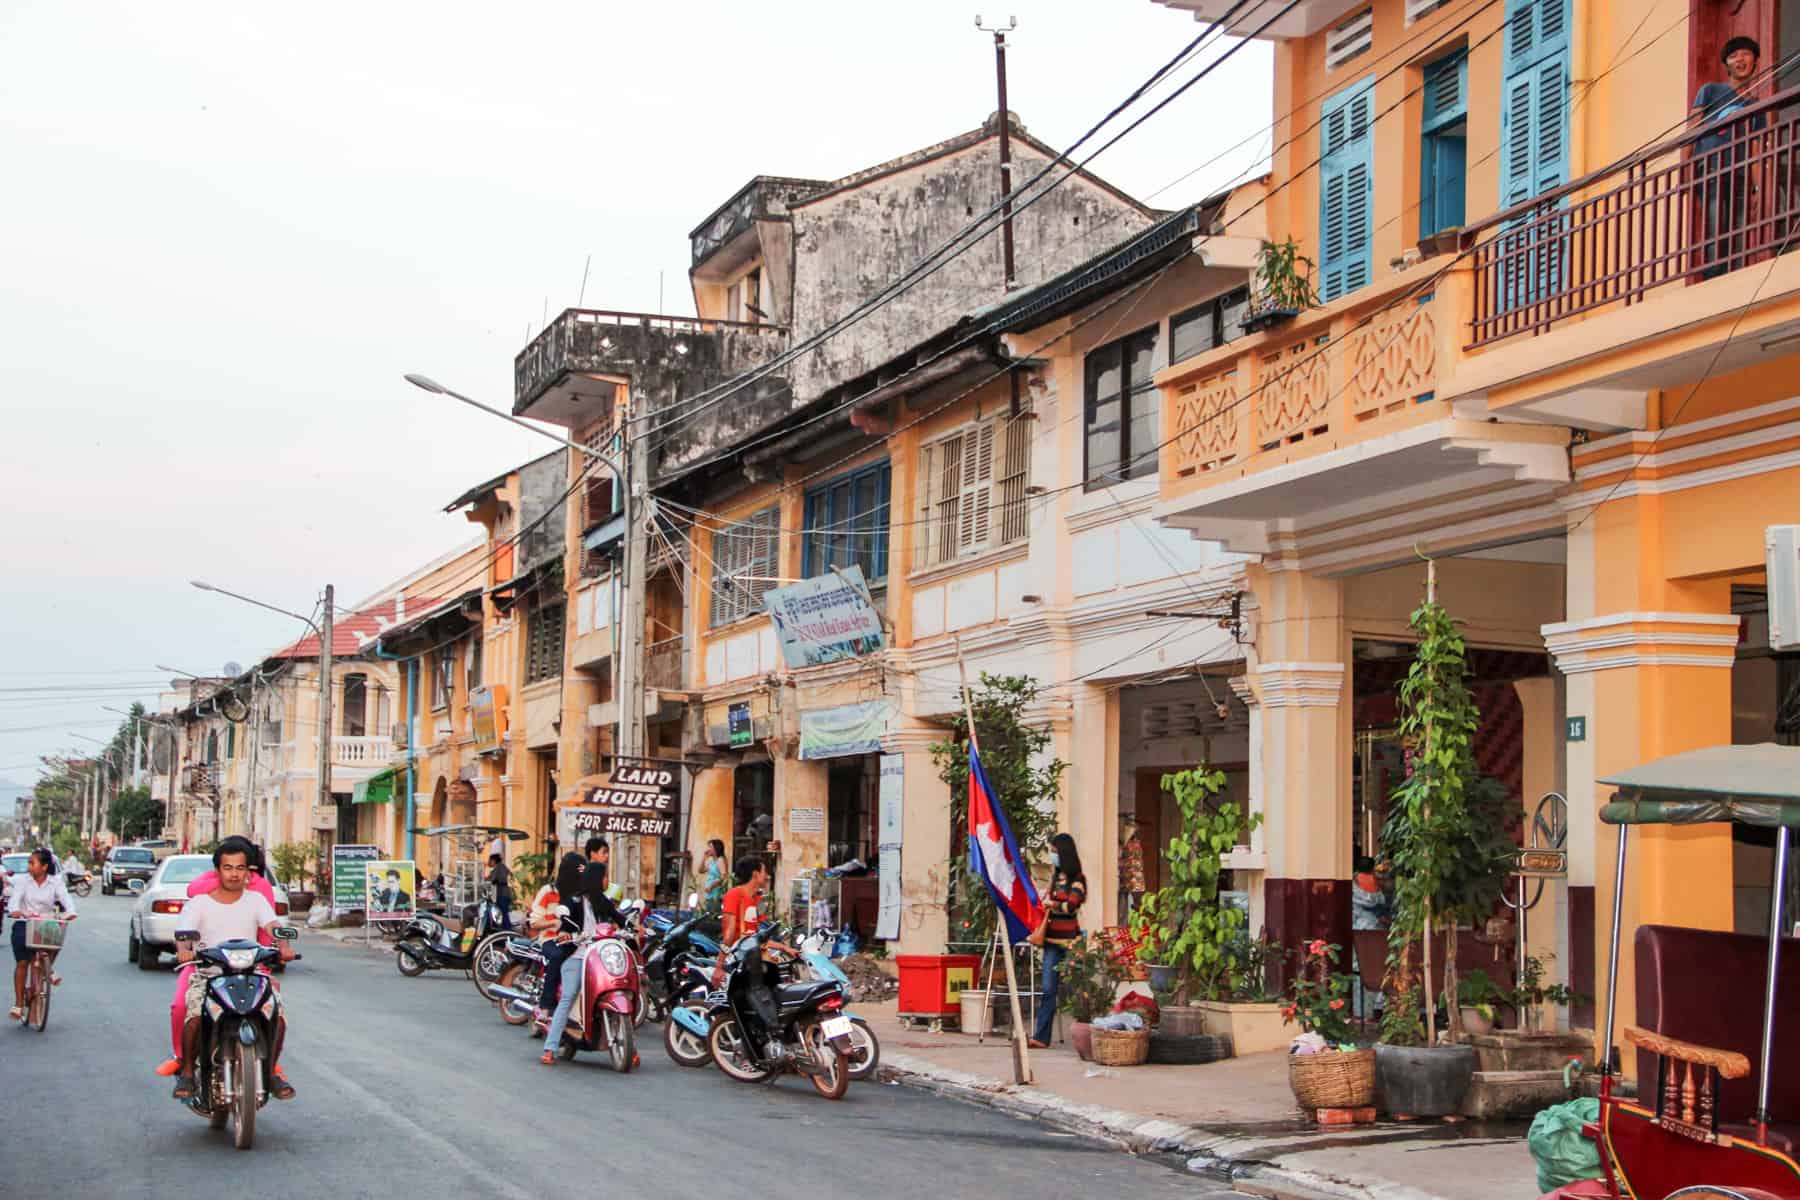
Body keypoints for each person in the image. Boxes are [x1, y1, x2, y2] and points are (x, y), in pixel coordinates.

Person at [170, 836, 294, 1101]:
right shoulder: (199, 904)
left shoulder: (256, 901)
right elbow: (185, 934)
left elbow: (274, 927)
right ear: (218, 871)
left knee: (278, 1016)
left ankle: (271, 1072)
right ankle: (188, 1072)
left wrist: (283, 946)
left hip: (251, 974)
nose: (234, 874)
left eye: (240, 868)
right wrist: (185, 949)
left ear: (248, 872)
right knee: (192, 1015)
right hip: (209, 975)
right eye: (228, 867)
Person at [1693, 35, 1767, 279]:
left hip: (1742, 172)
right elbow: (1693, 129)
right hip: (1712, 168)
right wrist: (1686, 169)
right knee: (1717, 223)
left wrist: (1758, 187)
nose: (1740, 59)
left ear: (1755, 61)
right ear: (1726, 64)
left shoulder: (1754, 104)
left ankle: (1734, 276)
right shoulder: (1711, 91)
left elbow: (1756, 147)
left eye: (1745, 54)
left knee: (1738, 227)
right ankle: (1715, 277)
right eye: (1734, 56)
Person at [1030, 832, 1087, 1050]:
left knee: (1077, 990)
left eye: (1054, 851)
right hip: (1052, 941)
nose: (1052, 855)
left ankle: (1088, 1031)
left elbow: (1072, 906)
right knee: (1048, 990)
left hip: (1070, 942)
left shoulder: (1078, 880)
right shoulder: (1056, 878)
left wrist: (1053, 904)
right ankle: (1041, 1037)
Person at [6, 848, 76, 1021]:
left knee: (58, 935)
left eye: (32, 863)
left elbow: (66, 900)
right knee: (22, 963)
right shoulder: (23, 881)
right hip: (24, 923)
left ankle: (46, 967)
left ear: (44, 867)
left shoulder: (55, 882)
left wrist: (71, 912)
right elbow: (15, 900)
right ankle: (19, 1005)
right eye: (29, 863)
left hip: (45, 923)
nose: (29, 866)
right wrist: (15, 910)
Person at [533, 851, 585, 1036]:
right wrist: (553, 923)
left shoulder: (582, 896)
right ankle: (545, 1008)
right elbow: (534, 921)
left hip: (576, 940)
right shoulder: (548, 892)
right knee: (557, 957)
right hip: (550, 939)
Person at [1351, 854, 1391, 932]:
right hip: (1376, 926)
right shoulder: (1378, 881)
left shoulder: (1352, 882)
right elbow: (1383, 901)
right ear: (1372, 868)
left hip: (1357, 926)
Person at [487, 853, 514, 931]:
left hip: (503, 894)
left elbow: (494, 879)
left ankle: (508, 932)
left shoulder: (499, 867)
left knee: (503, 913)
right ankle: (505, 931)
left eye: (490, 860)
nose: (488, 862)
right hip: (502, 893)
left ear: (493, 860)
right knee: (502, 913)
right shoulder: (500, 867)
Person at [701, 838, 728, 911]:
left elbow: (723, 876)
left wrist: (711, 885)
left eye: (710, 847)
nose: (708, 849)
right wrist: (704, 858)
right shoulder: (712, 861)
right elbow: (701, 870)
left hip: (715, 893)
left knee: (713, 915)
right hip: (710, 893)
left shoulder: (720, 860)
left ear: (716, 849)